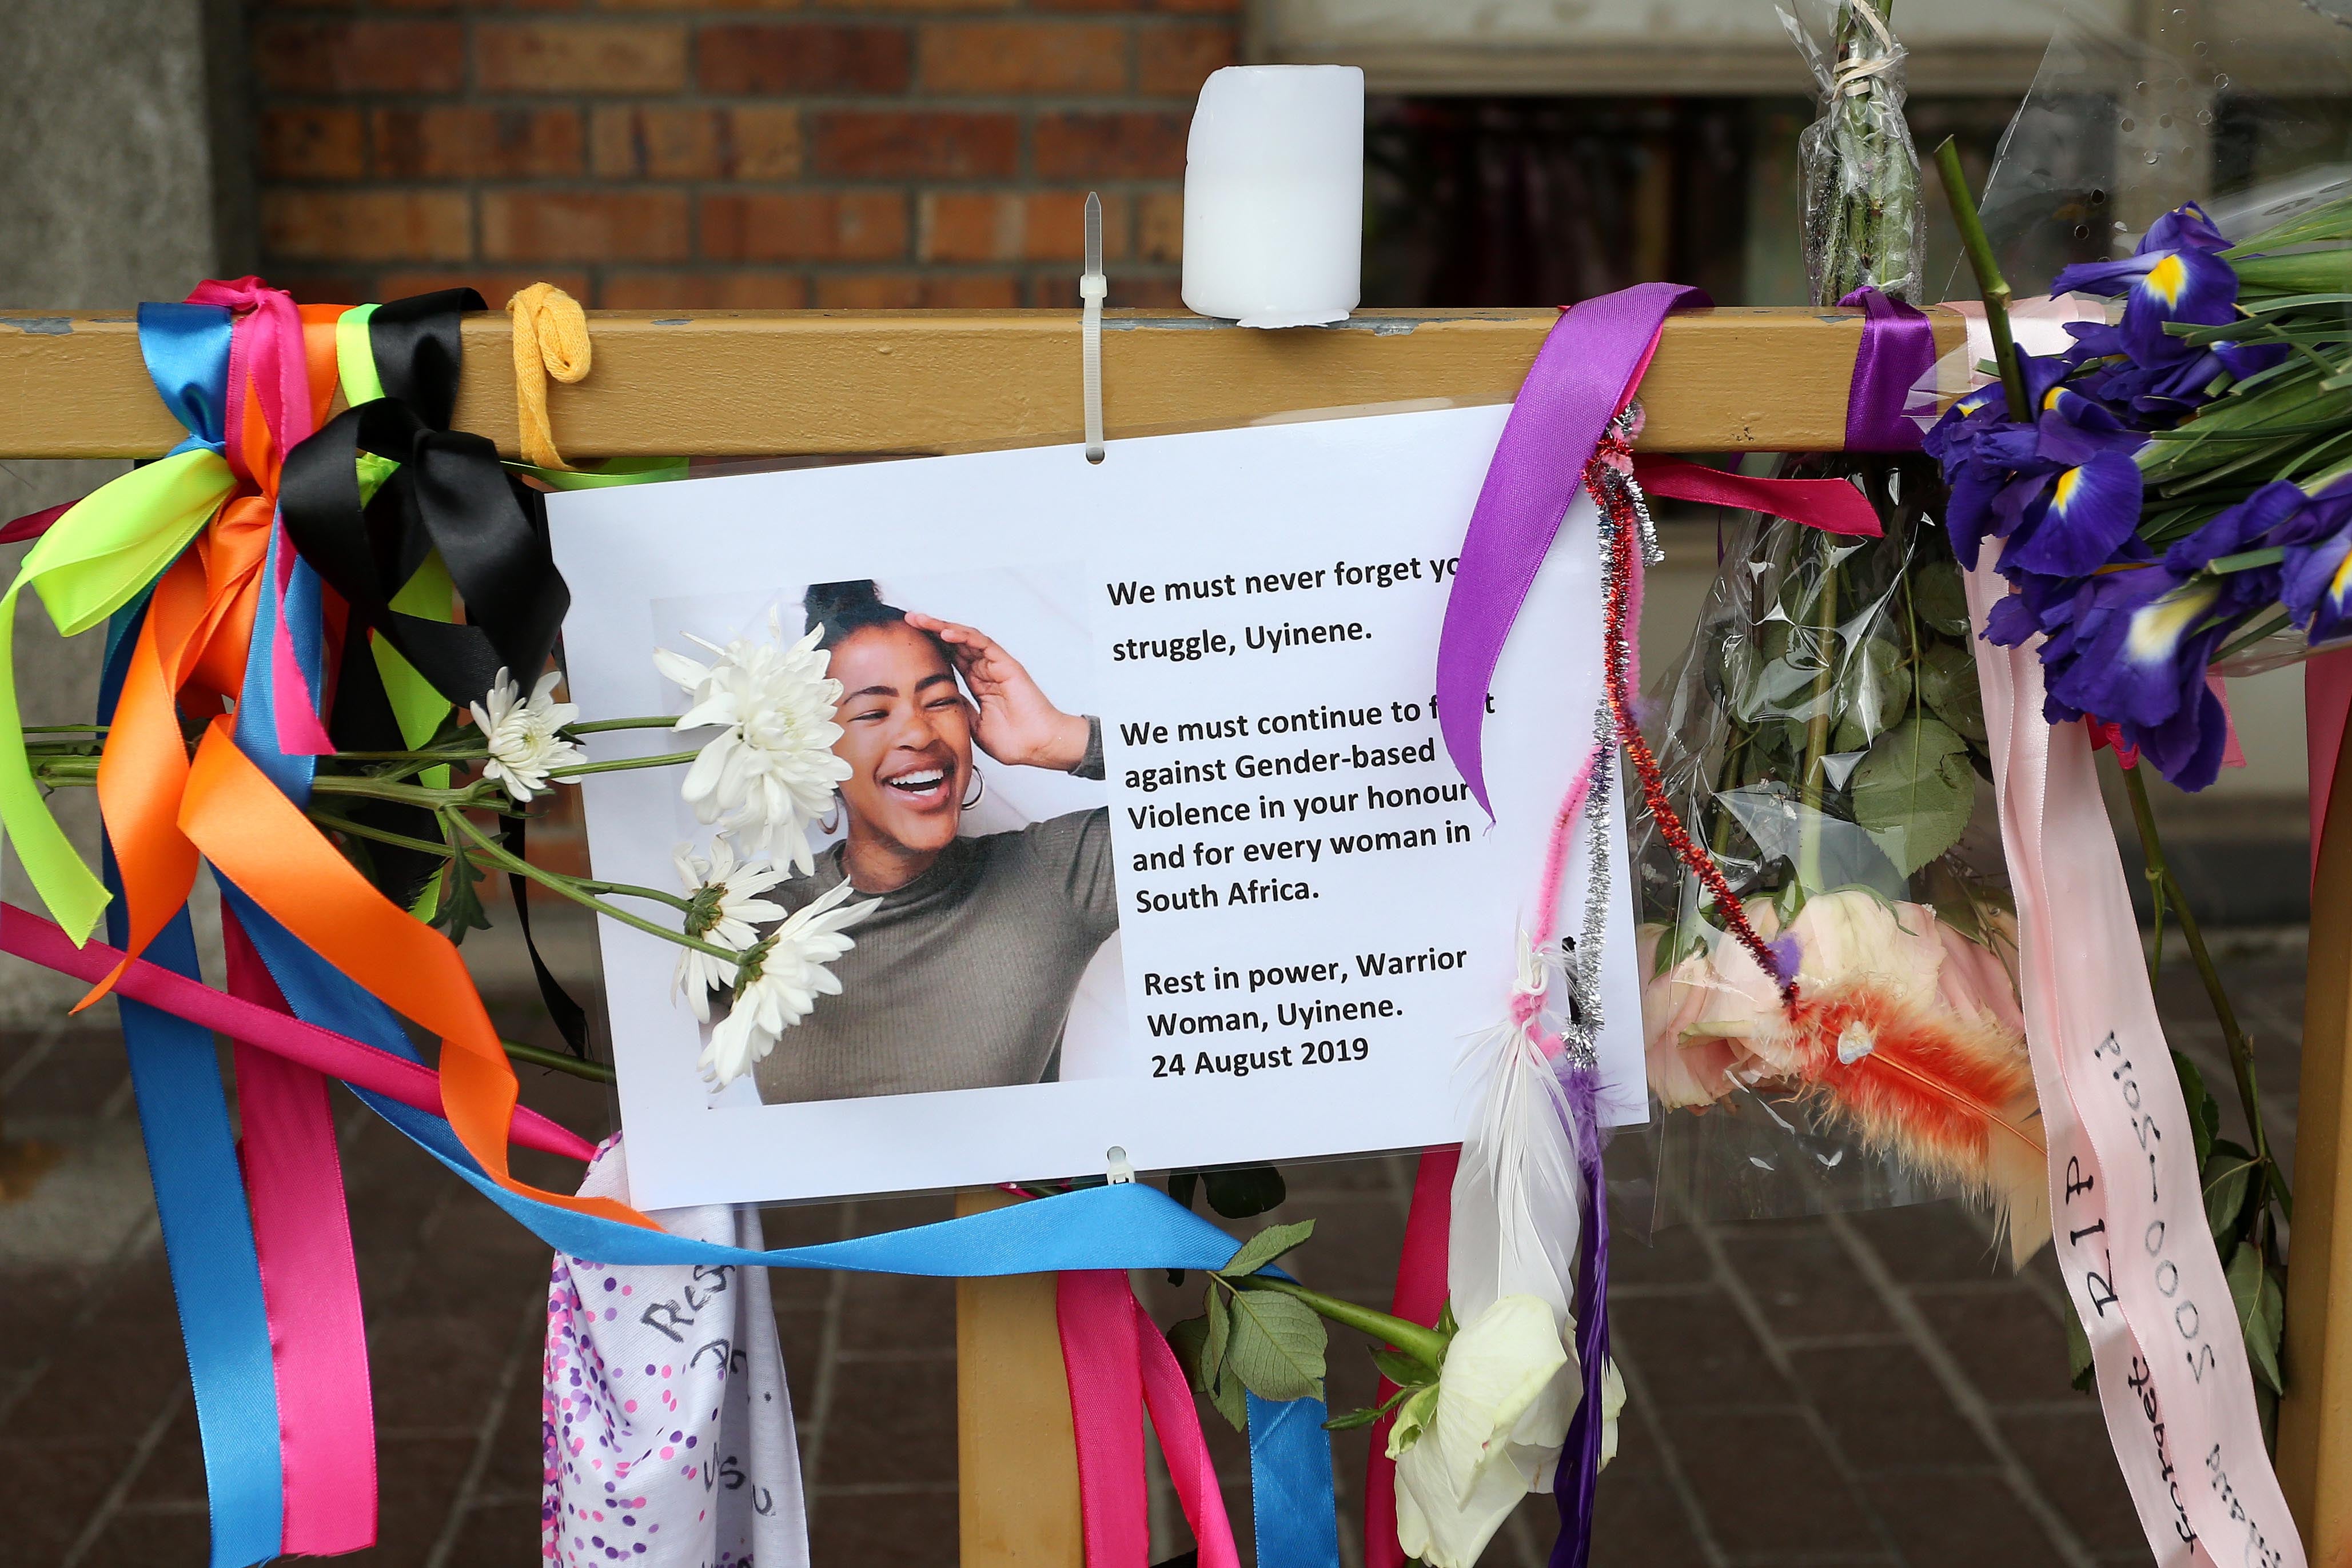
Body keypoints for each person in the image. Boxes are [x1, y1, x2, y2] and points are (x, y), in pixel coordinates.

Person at [752, 580, 1117, 1103]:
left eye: (940, 701)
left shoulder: (1055, 877)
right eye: (874, 712)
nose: (921, 734)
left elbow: (1255, 798)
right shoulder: (748, 916)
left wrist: (1058, 739)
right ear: (813, 748)